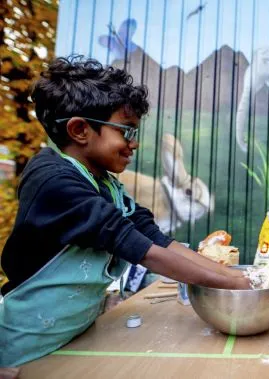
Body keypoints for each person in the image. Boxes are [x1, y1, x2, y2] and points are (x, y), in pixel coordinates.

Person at [0, 56, 249, 367]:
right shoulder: (53, 180)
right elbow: (141, 250)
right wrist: (235, 285)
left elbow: (155, 238)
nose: (134, 144)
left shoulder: (105, 182)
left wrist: (237, 275)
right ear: (80, 130)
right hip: (26, 348)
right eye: (127, 131)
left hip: (76, 336)